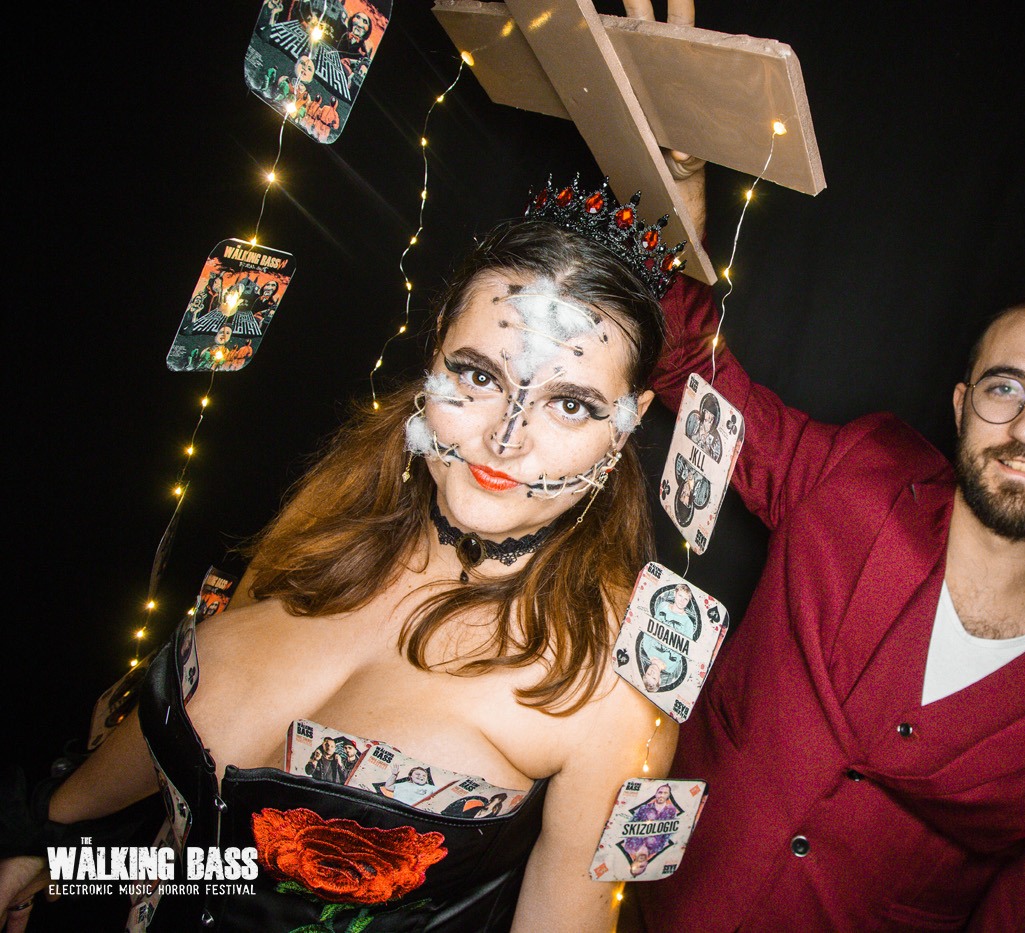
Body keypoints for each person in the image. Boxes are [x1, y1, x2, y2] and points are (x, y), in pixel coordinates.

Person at [1, 183, 685, 933]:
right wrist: (47, 847)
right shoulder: (323, 528)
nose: (505, 438)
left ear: (629, 422)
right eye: (479, 375)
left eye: (571, 403)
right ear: (435, 353)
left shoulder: (613, 685)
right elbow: (203, 857)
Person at [629, 151, 1025, 928]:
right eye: (1004, 388)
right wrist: (675, 216)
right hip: (638, 904)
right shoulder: (854, 474)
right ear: (963, 407)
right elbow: (692, 370)